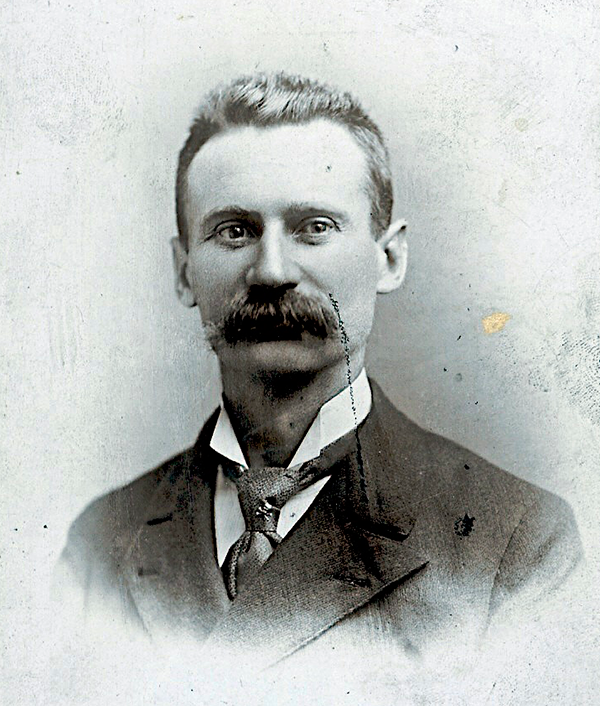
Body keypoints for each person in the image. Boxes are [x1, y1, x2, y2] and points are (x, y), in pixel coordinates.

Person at [57, 73, 582, 675]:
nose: (273, 271)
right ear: (183, 273)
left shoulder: (516, 541)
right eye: (235, 230)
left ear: (389, 258)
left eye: (315, 227)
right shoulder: (99, 544)